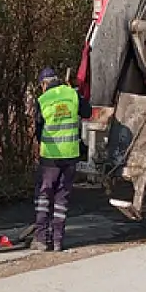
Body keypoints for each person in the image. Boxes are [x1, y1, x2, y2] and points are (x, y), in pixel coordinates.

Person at [32, 68, 91, 252]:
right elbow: (87, 112)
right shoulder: (72, 94)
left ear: (44, 84)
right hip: (71, 155)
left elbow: (38, 130)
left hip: (50, 157)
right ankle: (58, 241)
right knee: (61, 199)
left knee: (44, 196)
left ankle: (42, 238)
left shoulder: (42, 100)